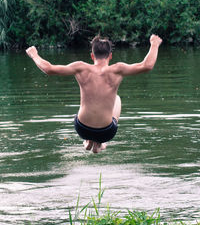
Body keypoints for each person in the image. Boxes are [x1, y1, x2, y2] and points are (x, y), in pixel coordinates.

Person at [26, 34, 162, 153]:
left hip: (82, 128)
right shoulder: (118, 70)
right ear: (110, 56)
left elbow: (49, 69)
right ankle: (100, 144)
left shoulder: (80, 67)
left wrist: (34, 54)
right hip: (106, 131)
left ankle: (88, 142)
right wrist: (154, 44)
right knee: (117, 99)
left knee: (84, 108)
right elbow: (147, 66)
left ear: (92, 55)